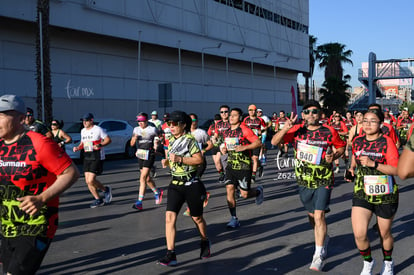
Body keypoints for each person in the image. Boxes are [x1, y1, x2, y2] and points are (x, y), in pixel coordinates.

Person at [0, 94, 80, 274]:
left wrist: (41, 198)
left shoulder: (40, 143)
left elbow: (71, 173)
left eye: (2, 115)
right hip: (8, 224)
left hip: (37, 224)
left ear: (21, 118)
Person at [271, 100, 346, 272]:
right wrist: (285, 127)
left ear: (320, 114)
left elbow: (341, 146)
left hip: (324, 178)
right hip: (304, 179)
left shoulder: (329, 131)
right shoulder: (297, 131)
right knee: (312, 215)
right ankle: (323, 238)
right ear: (302, 114)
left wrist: (334, 156)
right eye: (307, 112)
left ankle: (318, 254)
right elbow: (275, 142)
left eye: (314, 111)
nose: (310, 115)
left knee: (319, 215)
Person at [346, 109, 399, 275]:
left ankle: (388, 262)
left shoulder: (387, 142)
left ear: (381, 124)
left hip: (385, 193)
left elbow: (396, 170)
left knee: (384, 233)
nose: (368, 124)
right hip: (363, 192)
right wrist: (352, 169)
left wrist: (373, 164)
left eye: (373, 121)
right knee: (359, 234)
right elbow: (355, 157)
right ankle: (368, 262)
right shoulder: (357, 141)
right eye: (365, 121)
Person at [157, 111, 211, 266]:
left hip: (192, 184)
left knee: (197, 218)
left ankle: (204, 241)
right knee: (169, 218)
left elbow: (199, 159)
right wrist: (168, 162)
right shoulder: (171, 140)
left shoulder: (189, 140)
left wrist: (180, 159)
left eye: (175, 124)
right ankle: (171, 254)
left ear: (184, 125)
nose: (171, 126)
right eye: (169, 124)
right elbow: (172, 158)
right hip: (175, 185)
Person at [221, 107, 264, 228]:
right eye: (230, 115)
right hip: (231, 166)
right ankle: (234, 218)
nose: (231, 117)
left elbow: (257, 143)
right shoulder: (227, 131)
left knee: (245, 194)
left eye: (234, 115)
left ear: (240, 117)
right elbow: (227, 145)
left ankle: (257, 192)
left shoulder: (245, 130)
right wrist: (224, 148)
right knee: (229, 189)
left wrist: (244, 148)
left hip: (244, 166)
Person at [73, 113, 113, 208]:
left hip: (97, 156)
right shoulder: (83, 131)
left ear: (91, 120)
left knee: (91, 180)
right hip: (87, 156)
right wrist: (78, 147)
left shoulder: (98, 129)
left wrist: (99, 145)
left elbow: (108, 140)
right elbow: (83, 143)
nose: (84, 122)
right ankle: (98, 199)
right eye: (83, 120)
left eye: (86, 120)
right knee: (88, 181)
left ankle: (105, 189)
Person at [182, 113, 214, 216]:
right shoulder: (184, 133)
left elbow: (210, 144)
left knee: (191, 183)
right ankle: (204, 193)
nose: (192, 122)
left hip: (200, 162)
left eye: (194, 120)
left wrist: (204, 150)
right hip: (188, 162)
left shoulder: (201, 133)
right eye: (190, 120)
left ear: (197, 121)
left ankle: (189, 208)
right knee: (192, 183)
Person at [130, 112, 163, 211]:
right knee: (147, 179)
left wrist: (157, 141)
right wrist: (134, 138)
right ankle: (157, 192)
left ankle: (139, 202)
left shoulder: (152, 129)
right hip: (140, 154)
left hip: (150, 154)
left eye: (142, 121)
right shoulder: (136, 129)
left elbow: (161, 136)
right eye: (138, 121)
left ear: (146, 121)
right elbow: (132, 144)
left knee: (143, 177)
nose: (140, 123)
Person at [243, 104, 266, 183]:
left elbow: (266, 126)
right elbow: (242, 128)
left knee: (255, 158)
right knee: (249, 159)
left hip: (256, 141)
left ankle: (253, 176)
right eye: (250, 110)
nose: (251, 112)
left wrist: (261, 131)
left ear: (255, 111)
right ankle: (259, 166)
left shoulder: (260, 120)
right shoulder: (245, 120)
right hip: (248, 142)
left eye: (253, 110)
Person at [212, 105, 231, 183]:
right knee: (217, 161)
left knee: (226, 161)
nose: (224, 113)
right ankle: (222, 174)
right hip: (220, 144)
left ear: (229, 112)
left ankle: (228, 176)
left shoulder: (232, 121)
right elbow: (216, 134)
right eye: (222, 112)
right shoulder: (218, 123)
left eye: (226, 112)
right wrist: (213, 139)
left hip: (230, 144)